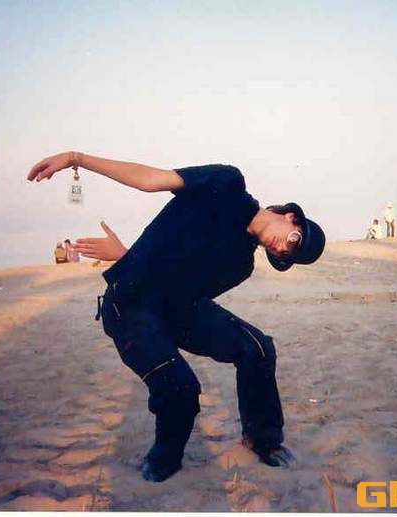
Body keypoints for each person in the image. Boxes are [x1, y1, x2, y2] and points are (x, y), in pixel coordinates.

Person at [26, 151, 325, 482]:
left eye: (286, 255)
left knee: (258, 348)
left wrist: (127, 255)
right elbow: (150, 180)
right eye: (294, 241)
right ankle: (164, 460)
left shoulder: (242, 265)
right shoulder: (226, 183)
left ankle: (263, 440)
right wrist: (77, 158)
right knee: (180, 385)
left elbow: (180, 288)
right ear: (290, 217)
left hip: (174, 306)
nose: (283, 249)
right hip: (129, 302)